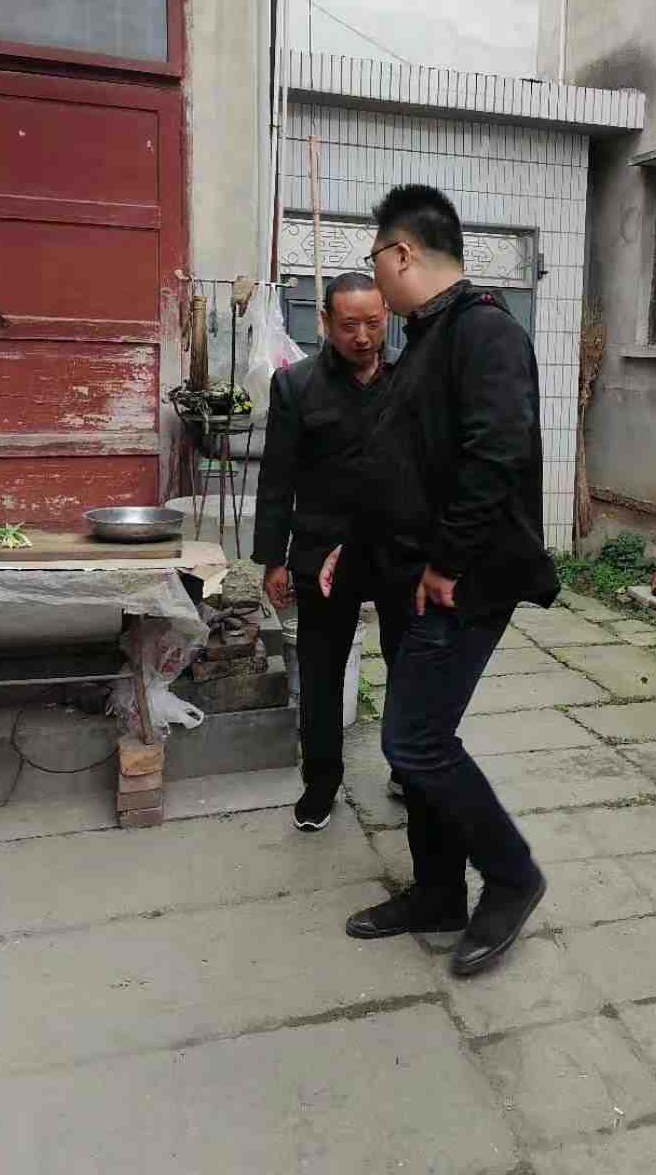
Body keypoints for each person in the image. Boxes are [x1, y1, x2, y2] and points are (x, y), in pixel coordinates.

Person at [321, 184, 559, 978]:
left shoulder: (484, 331)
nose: (375, 279)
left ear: (402, 253)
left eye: (375, 261)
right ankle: (437, 892)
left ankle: (512, 874)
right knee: (419, 743)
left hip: (462, 583)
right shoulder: (429, 337)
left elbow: (497, 453)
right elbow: (405, 467)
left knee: (414, 742)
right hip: (411, 578)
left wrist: (448, 562)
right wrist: (353, 551)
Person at [252, 272, 392, 832]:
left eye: (374, 323)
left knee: (412, 666)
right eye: (350, 324)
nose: (363, 336)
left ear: (387, 317)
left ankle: (410, 767)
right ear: (326, 322)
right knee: (320, 672)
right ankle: (321, 782)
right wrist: (274, 559)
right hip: (320, 549)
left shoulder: (410, 379)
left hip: (395, 550)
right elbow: (276, 479)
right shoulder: (297, 386)